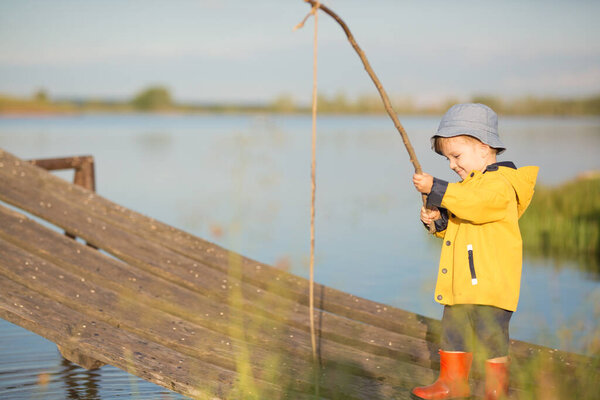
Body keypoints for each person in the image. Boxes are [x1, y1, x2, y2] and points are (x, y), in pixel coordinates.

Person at [411, 103, 538, 400]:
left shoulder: (501, 184)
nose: (453, 164)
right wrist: (437, 220)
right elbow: (462, 222)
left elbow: (477, 204)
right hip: (462, 284)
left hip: (490, 286)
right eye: (448, 159)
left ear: (483, 148)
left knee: (490, 338)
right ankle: (451, 383)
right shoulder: (469, 187)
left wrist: (437, 188)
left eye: (456, 156)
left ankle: (495, 390)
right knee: (453, 333)